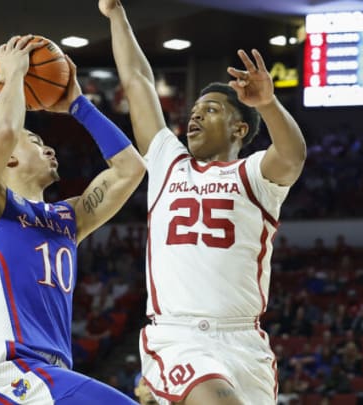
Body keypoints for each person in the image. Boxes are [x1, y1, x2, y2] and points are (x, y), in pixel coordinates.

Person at [99, 1, 307, 404]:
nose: (193, 118)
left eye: (209, 110)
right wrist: (116, 15)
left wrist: (268, 103)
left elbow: (293, 155)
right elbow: (138, 79)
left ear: (239, 128)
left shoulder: (253, 175)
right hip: (180, 335)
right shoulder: (167, 163)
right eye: (193, 112)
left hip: (245, 341)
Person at [0, 35, 145, 404]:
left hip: (52, 373)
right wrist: (14, 76)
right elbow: (5, 132)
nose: (49, 147)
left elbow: (131, 170)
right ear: (8, 157)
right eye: (35, 140)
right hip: (10, 371)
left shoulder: (68, 218)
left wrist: (77, 104)